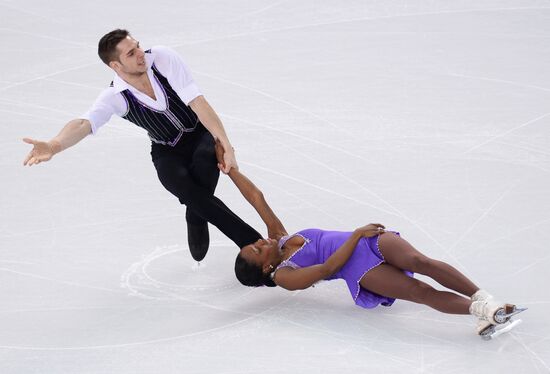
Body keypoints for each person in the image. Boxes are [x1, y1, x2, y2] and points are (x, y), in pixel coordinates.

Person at [213, 141, 523, 337]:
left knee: (420, 261)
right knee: (419, 291)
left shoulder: (279, 238)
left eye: (255, 243)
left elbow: (257, 197)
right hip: (359, 268)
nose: (261, 242)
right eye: (257, 249)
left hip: (367, 240)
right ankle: (482, 313)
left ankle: (485, 298)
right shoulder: (285, 276)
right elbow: (325, 269)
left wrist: (231, 170)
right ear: (265, 268)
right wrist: (357, 233)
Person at [22, 29, 262, 261]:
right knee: (178, 183)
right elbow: (84, 124)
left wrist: (226, 145)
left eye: (137, 45)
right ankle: (248, 240)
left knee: (202, 168)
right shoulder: (115, 96)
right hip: (166, 150)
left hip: (200, 134)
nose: (140, 53)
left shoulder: (162, 59)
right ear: (115, 66)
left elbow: (197, 101)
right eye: (130, 53)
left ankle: (203, 217)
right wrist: (54, 145)